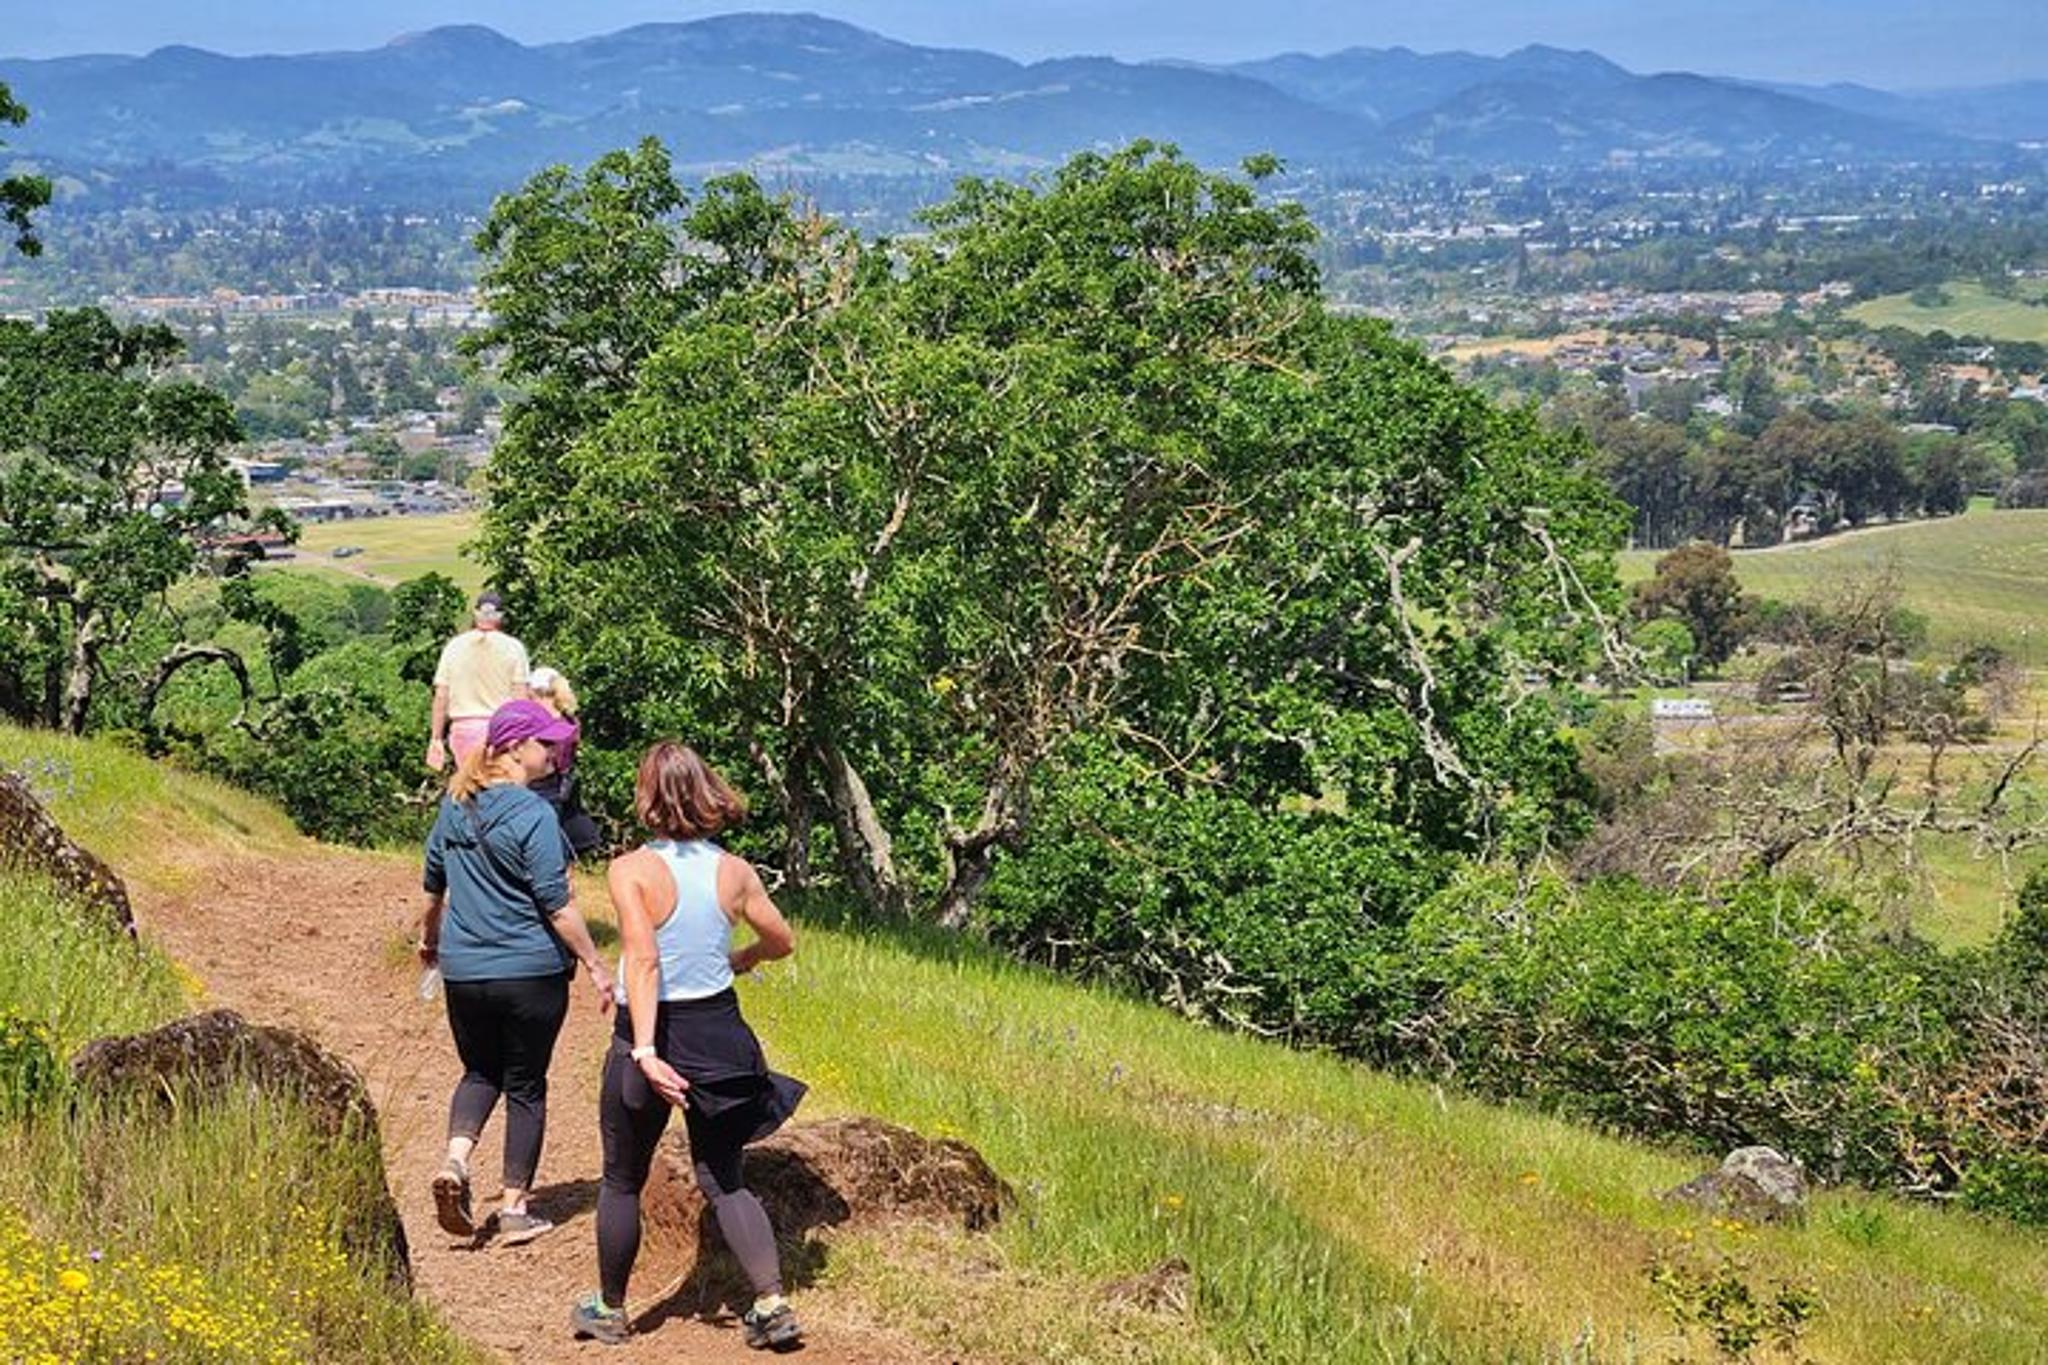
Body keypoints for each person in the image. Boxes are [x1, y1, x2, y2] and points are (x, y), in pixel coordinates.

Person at [570, 742, 805, 1349]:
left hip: (651, 1032)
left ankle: (610, 1308)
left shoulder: (630, 870)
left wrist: (645, 1051)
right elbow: (783, 940)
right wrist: (742, 958)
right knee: (725, 1176)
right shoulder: (735, 871)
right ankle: (772, 1303)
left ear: (647, 797)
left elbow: (643, 961)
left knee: (622, 1177)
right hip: (721, 1032)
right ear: (707, 792)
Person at [419, 699, 615, 1246]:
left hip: (465, 969)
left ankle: (456, 1162)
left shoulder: (455, 805)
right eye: (544, 743)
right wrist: (596, 964)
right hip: (530, 970)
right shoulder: (534, 815)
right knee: (525, 1086)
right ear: (513, 747)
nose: (553, 753)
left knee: (480, 1072)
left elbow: (433, 885)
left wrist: (430, 942)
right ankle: (513, 1210)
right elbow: (557, 905)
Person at [426, 591, 531, 773]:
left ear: (475, 613)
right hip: (501, 729)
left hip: (463, 730)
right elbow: (520, 697)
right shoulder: (514, 648)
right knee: (499, 788)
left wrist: (436, 738)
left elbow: (441, 696)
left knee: (469, 786)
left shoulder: (454, 646)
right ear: (501, 616)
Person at [525, 665, 601, 859]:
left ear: (535, 692)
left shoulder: (539, 723)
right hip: (564, 790)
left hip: (542, 787)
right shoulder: (571, 721)